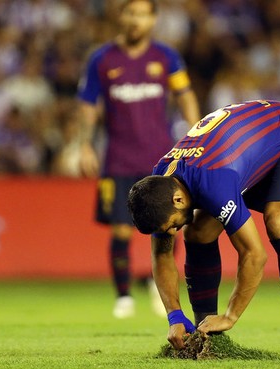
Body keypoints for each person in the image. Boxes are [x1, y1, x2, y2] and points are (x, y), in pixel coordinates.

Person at [127, 100, 280, 360]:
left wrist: (230, 315)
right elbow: (161, 255)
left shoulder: (214, 181)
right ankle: (203, 334)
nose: (174, 230)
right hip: (251, 151)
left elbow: (254, 255)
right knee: (197, 232)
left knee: (279, 221)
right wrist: (175, 316)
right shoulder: (160, 184)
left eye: (172, 225)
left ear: (179, 199)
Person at [76, 0, 200, 319]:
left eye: (143, 14)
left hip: (160, 161)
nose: (136, 20)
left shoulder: (166, 57)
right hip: (117, 159)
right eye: (131, 13)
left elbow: (184, 95)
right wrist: (84, 145)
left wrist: (198, 132)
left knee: (169, 226)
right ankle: (123, 295)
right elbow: (88, 105)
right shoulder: (101, 59)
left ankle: (163, 291)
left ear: (153, 20)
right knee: (120, 229)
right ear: (121, 16)